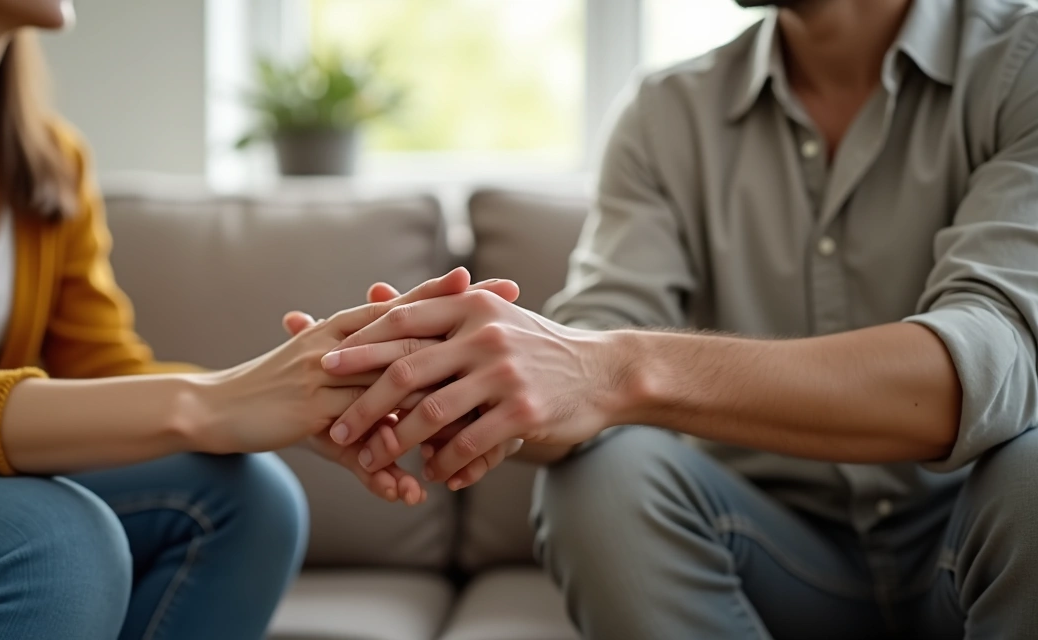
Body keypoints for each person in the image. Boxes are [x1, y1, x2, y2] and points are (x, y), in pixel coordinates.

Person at [310, 0, 1038, 637]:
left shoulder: (1021, 66)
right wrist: (467, 378)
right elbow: (583, 356)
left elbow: (983, 369)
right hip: (761, 551)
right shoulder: (666, 112)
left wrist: (615, 369)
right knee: (599, 476)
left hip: (973, 539)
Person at [0, 1, 520, 638]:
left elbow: (104, 374)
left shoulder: (47, 159)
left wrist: (309, 399)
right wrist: (217, 403)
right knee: (54, 540)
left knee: (251, 498)